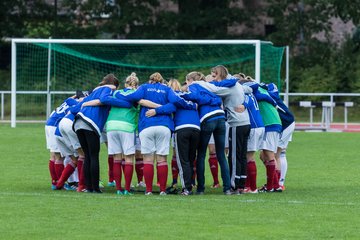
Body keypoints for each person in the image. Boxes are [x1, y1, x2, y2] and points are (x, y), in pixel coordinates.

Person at [113, 72, 197, 195]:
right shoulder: (167, 89)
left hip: (146, 126)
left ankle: (148, 190)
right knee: (162, 159)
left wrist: (124, 96)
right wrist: (160, 109)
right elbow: (173, 105)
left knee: (148, 159)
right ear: (162, 80)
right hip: (164, 126)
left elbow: (130, 97)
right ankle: (162, 190)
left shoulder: (144, 87)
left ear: (150, 80)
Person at [193, 65, 251, 194]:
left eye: (215, 75)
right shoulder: (236, 85)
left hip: (234, 122)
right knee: (232, 155)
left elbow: (213, 89)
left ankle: (229, 186)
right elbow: (252, 88)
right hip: (236, 121)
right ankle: (236, 185)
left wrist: (197, 83)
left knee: (228, 155)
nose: (214, 79)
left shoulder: (225, 88)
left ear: (220, 75)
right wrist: (245, 103)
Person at [181, 71, 231, 195]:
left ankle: (201, 188)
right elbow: (218, 99)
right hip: (220, 118)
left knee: (201, 154)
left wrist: (184, 95)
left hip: (207, 118)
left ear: (190, 80)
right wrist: (211, 100)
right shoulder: (209, 86)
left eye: (186, 82)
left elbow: (195, 97)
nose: (186, 85)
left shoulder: (194, 86)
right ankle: (227, 188)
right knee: (221, 155)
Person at [73, 74, 121, 193]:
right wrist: (119, 101)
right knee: (93, 156)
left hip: (78, 122)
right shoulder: (108, 89)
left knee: (88, 156)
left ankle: (88, 187)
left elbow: (75, 108)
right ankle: (95, 188)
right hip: (90, 123)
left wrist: (86, 103)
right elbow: (104, 99)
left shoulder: (94, 91)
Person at [243, 77, 283, 192]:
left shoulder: (255, 92)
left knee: (269, 155)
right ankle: (274, 185)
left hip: (270, 123)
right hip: (273, 123)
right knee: (263, 155)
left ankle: (272, 187)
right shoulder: (262, 90)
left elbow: (261, 97)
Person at [169, 79, 201, 195]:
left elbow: (170, 106)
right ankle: (191, 183)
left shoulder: (173, 96)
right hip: (196, 128)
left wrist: (156, 110)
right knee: (191, 159)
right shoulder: (193, 97)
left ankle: (186, 188)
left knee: (183, 160)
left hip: (182, 128)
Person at [262, 82, 295, 190]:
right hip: (288, 122)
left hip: (285, 124)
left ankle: (278, 183)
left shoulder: (268, 95)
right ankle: (278, 182)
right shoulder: (272, 93)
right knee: (275, 155)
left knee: (274, 155)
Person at [45, 95, 79, 189]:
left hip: (49, 124)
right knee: (59, 157)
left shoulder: (69, 100)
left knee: (53, 156)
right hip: (55, 126)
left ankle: (55, 182)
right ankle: (60, 183)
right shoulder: (77, 104)